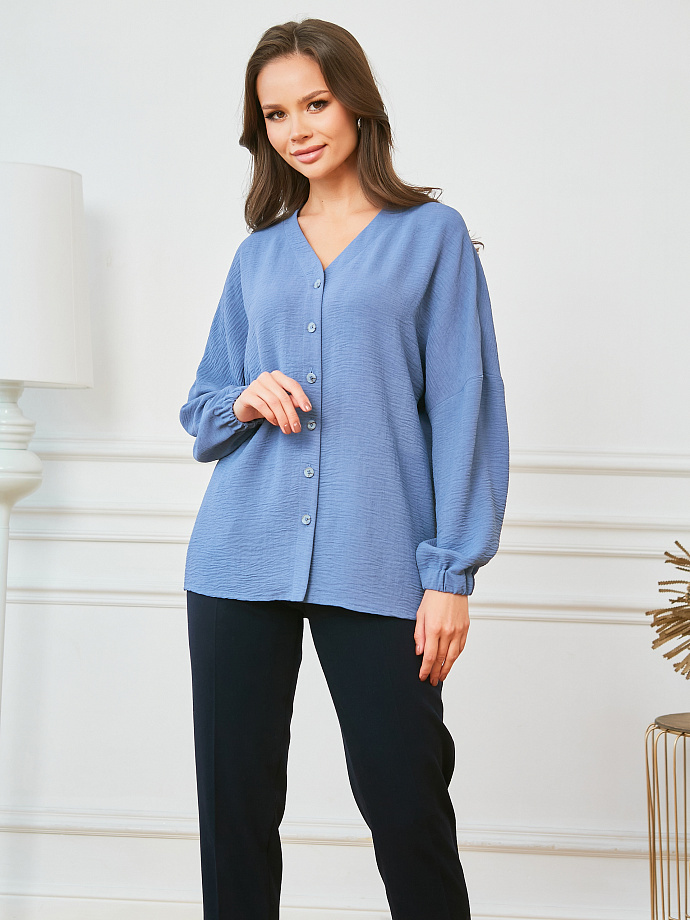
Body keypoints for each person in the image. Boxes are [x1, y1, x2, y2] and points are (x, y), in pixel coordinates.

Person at [179, 17, 509, 920]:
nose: (298, 128)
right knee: (236, 815)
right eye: (276, 114)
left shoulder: (433, 236)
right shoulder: (258, 253)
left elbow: (467, 409)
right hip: (237, 558)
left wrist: (450, 576)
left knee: (407, 804)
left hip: (380, 561)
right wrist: (246, 399)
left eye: (315, 103)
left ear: (356, 103)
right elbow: (204, 407)